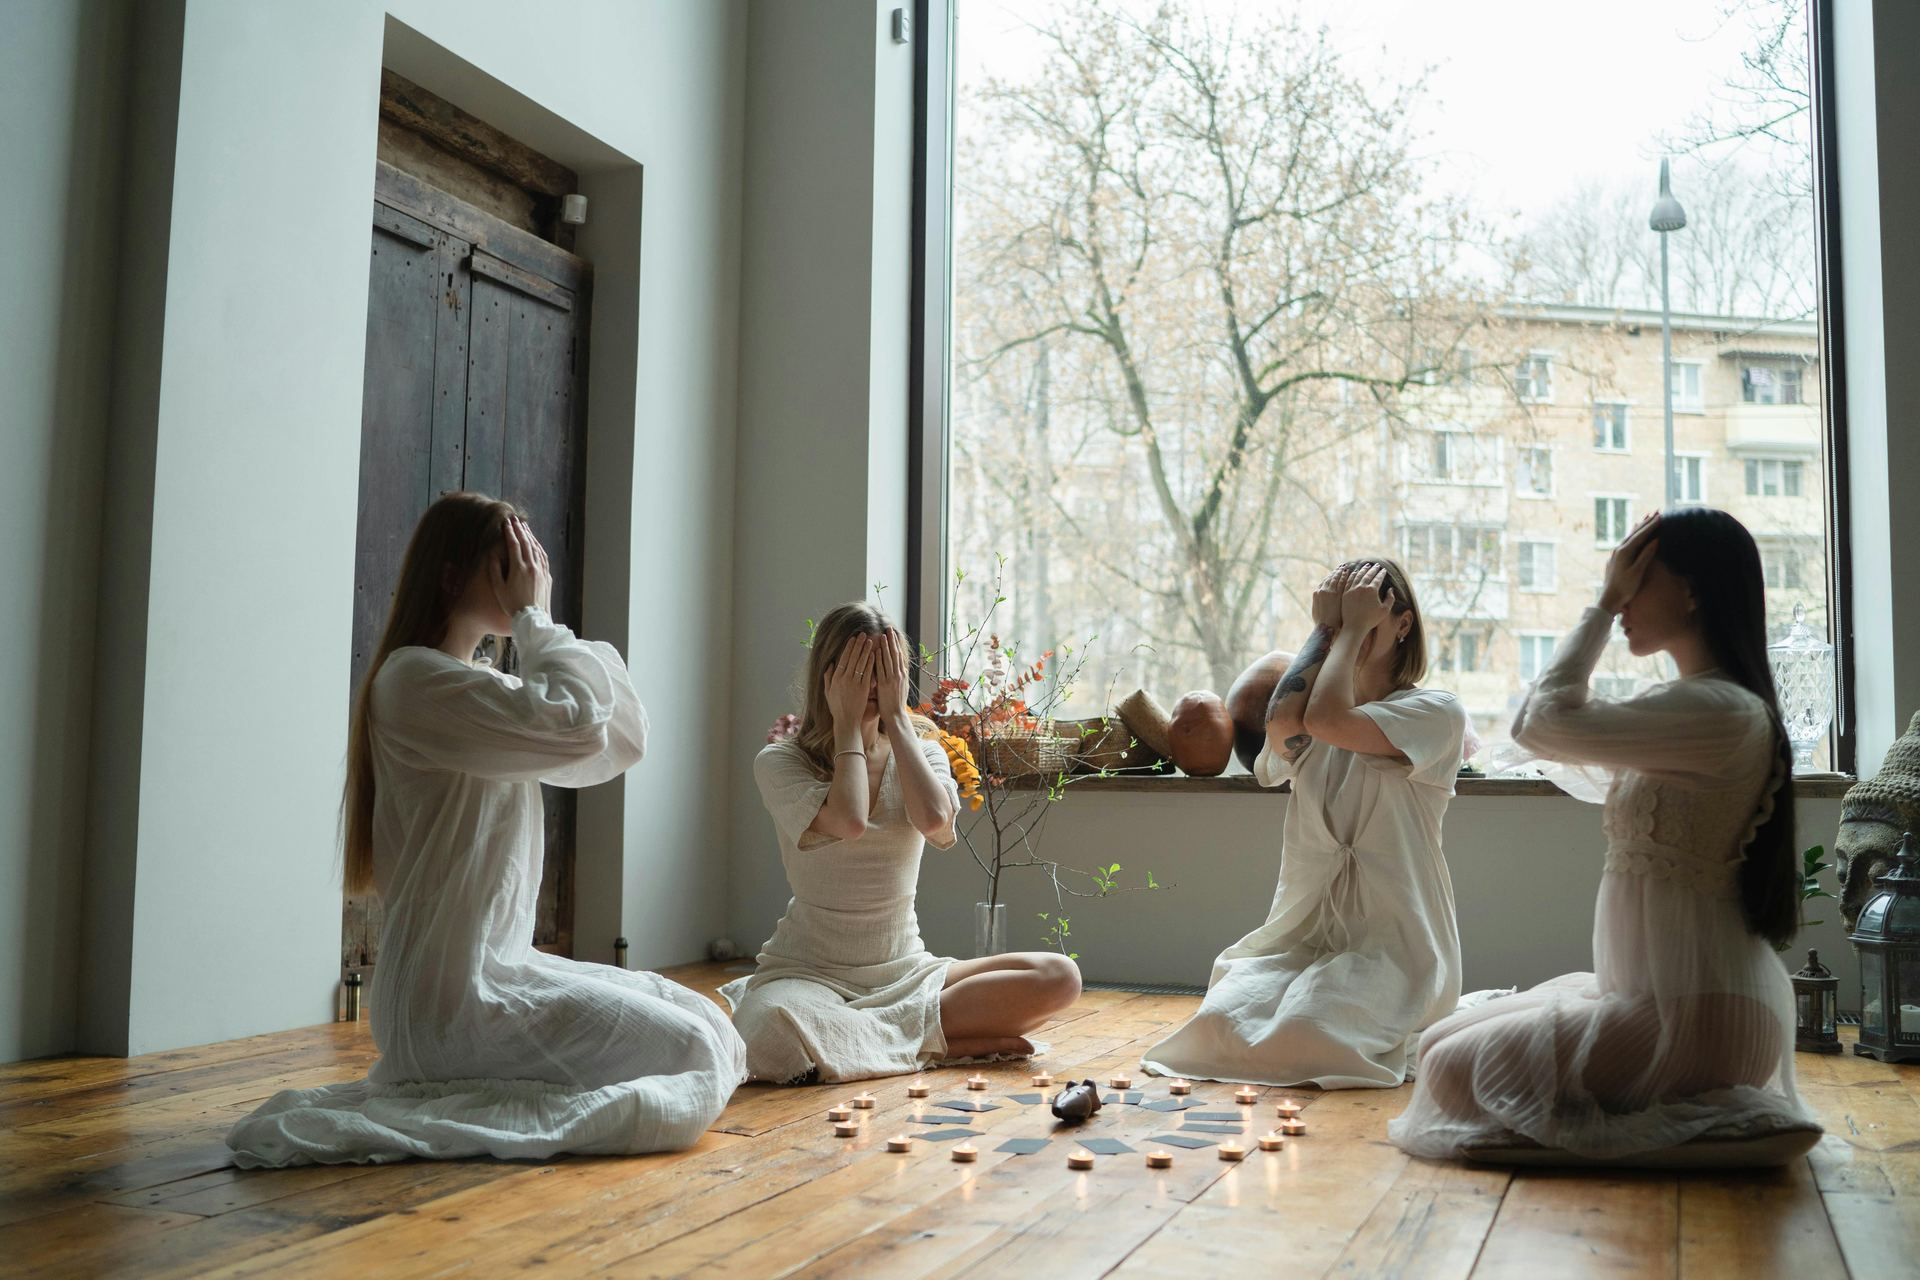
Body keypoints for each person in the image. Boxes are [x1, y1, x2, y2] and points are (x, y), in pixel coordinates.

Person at [228, 493, 745, 1167]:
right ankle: (481, 1098)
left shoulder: (475, 683)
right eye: (509, 561)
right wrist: (536, 618)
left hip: (500, 972)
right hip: (450, 1001)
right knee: (693, 1051)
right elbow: (579, 721)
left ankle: (508, 1089)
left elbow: (619, 737)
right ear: (451, 575)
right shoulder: (413, 681)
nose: (526, 573)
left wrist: (538, 625)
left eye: (532, 561)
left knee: (710, 1025)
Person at [1389, 509, 1822, 1165]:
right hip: (1661, 998)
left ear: (1692, 592)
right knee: (1434, 1046)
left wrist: (1598, 603)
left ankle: (1694, 1131)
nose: (1622, 600)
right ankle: (1678, 1128)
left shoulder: (1721, 710)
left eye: (1637, 581)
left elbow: (1540, 721)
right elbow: (1551, 734)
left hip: (1703, 1016)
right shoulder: (1697, 705)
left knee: (1450, 1069)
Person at [722, 602, 1082, 1084]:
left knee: (1061, 978)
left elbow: (935, 823)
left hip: (907, 972)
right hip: (808, 974)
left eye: (884, 672)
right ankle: (940, 1045)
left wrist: (896, 715)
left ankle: (875, 1042)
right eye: (859, 672)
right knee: (767, 1033)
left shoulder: (924, 751)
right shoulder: (780, 761)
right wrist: (849, 725)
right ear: (827, 676)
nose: (872, 686)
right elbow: (848, 821)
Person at [1142, 559, 1466, 1088]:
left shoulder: (1434, 712)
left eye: (1365, 622)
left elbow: (1328, 721)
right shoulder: (1309, 715)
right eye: (1336, 624)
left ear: (1403, 624)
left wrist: (1354, 624)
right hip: (1308, 936)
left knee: (1312, 1032)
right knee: (1223, 1020)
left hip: (1396, 944)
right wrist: (1327, 627)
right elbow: (1287, 723)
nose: (1347, 637)